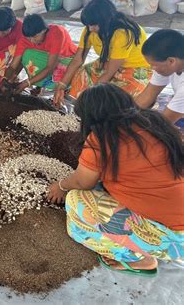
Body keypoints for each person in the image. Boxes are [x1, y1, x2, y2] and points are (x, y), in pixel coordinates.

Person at [47, 84, 184, 276]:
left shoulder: (102, 138)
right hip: (177, 216)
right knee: (102, 185)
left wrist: (60, 186)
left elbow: (82, 182)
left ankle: (137, 259)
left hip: (174, 238)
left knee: (76, 203)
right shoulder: (154, 122)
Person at [53, 0, 152, 107]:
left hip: (134, 69)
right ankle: (75, 104)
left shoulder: (122, 34)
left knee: (119, 101)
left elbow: (110, 72)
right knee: (83, 73)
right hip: (108, 63)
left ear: (107, 21)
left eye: (94, 25)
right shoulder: (89, 30)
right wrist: (61, 85)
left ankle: (87, 106)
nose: (90, 29)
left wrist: (90, 96)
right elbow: (78, 60)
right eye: (88, 25)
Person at [6, 14, 77, 93]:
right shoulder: (26, 38)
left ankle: (60, 85)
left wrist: (27, 83)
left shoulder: (56, 32)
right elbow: (13, 66)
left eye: (35, 36)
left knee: (63, 80)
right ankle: (40, 83)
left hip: (67, 62)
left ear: (44, 30)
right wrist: (6, 80)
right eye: (29, 38)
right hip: (48, 61)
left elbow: (50, 68)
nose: (32, 40)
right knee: (26, 54)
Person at [135, 29, 184, 125]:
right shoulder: (167, 65)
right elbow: (148, 95)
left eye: (153, 65)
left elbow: (163, 124)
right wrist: (125, 116)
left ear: (171, 61)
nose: (152, 68)